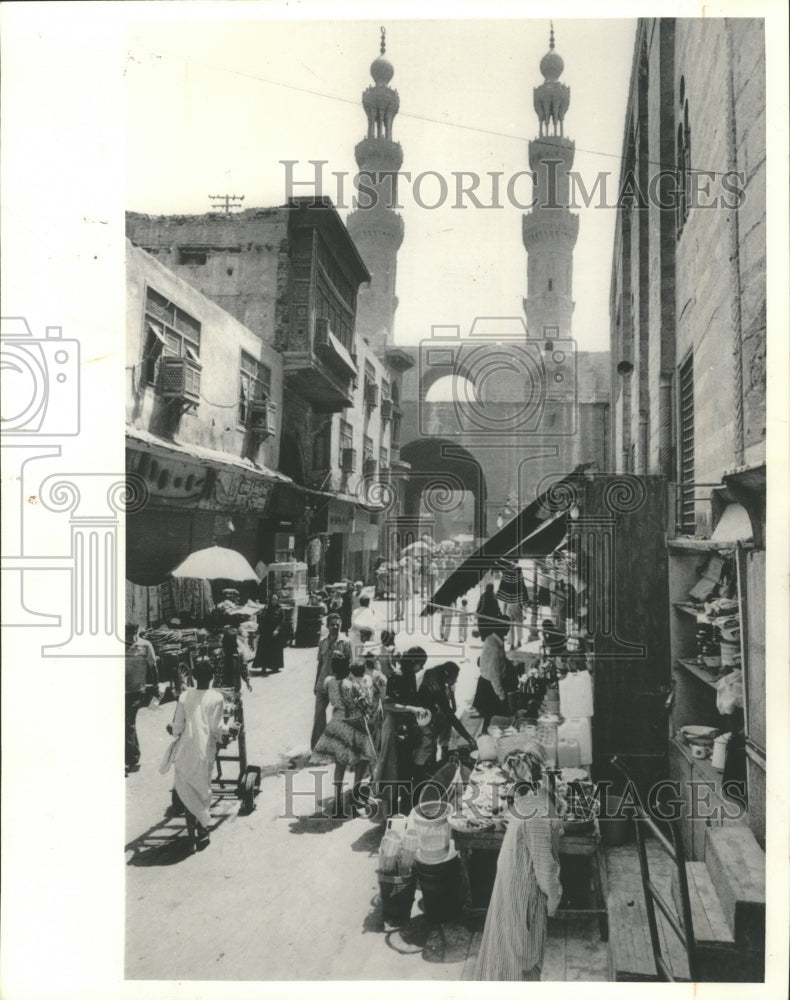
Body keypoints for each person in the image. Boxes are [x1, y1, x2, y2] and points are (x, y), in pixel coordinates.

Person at [474, 748, 563, 981]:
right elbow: (546, 868)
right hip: (518, 891)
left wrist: (553, 897)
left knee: (514, 955)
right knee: (519, 960)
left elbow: (544, 866)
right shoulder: (534, 801)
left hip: (519, 893)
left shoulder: (535, 807)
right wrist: (554, 897)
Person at [166, 656, 229, 851]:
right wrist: (229, 727)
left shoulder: (185, 696)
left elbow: (177, 727)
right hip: (203, 750)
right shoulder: (217, 697)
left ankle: (193, 832)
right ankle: (202, 830)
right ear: (212, 677)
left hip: (185, 750)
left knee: (187, 789)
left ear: (193, 676)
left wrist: (171, 729)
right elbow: (217, 728)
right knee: (202, 789)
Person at [311, 650, 375, 819]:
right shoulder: (352, 685)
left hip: (337, 723)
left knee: (340, 763)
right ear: (347, 666)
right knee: (362, 760)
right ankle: (355, 796)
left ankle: (338, 800)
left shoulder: (329, 682)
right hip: (354, 723)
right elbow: (365, 706)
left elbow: (326, 694)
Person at [373, 646, 428, 817]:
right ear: (413, 661)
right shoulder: (397, 676)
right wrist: (411, 708)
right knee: (394, 772)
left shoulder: (410, 675)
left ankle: (405, 809)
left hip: (408, 728)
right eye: (421, 664)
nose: (422, 668)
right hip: (396, 729)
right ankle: (393, 813)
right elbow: (389, 704)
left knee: (408, 771)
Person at [413, 661, 477, 779]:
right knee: (425, 753)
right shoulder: (435, 684)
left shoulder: (435, 675)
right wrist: (469, 738)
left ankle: (426, 774)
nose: (456, 681)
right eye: (454, 678)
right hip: (422, 720)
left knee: (428, 752)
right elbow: (450, 715)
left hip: (425, 717)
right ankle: (422, 779)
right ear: (447, 675)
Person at [311, 613, 350, 749]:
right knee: (319, 715)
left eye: (337, 625)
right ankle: (318, 747)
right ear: (327, 626)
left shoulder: (345, 642)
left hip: (337, 685)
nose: (335, 627)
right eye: (332, 624)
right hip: (322, 683)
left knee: (339, 717)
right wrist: (316, 684)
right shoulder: (323, 642)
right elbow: (320, 664)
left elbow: (348, 665)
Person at [125, 622, 158, 775]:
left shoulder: (145, 645)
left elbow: (152, 666)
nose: (128, 637)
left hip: (136, 691)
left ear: (136, 632)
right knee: (126, 724)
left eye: (131, 634)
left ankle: (129, 759)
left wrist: (155, 687)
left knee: (128, 722)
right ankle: (134, 755)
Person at [472, 615, 510, 732]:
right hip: (490, 688)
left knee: (491, 722)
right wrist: (502, 696)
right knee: (492, 722)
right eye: (507, 626)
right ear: (500, 627)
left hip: (490, 685)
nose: (508, 629)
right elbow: (494, 674)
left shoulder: (494, 640)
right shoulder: (493, 645)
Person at [253, 592, 288, 674]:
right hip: (266, 632)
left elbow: (282, 622)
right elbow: (262, 620)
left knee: (275, 650)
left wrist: (277, 630)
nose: (274, 601)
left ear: (278, 600)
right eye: (272, 599)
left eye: (276, 599)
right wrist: (258, 629)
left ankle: (275, 666)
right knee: (264, 650)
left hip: (275, 633)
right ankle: (263, 667)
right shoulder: (266, 608)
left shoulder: (280, 609)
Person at [217, 626, 252, 692]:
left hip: (220, 686)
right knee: (234, 701)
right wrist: (247, 682)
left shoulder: (218, 654)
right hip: (235, 686)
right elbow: (244, 669)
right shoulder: (239, 654)